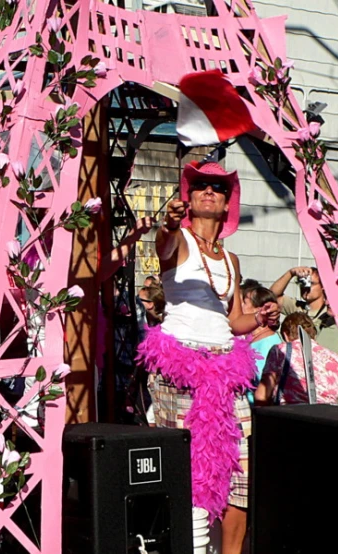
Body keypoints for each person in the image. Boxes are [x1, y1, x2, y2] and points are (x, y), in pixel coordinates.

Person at [136, 161, 278, 554]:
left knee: (240, 474)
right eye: (199, 185)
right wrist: (165, 224)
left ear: (227, 201)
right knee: (190, 474)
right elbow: (162, 245)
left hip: (225, 373)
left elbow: (233, 321)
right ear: (189, 197)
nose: (208, 190)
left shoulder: (230, 260)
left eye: (217, 186)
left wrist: (259, 318)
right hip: (181, 370)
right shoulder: (178, 239)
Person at [269, 266, 338, 378]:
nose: (305, 287)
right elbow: (272, 296)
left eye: (310, 283)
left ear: (323, 287)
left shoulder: (334, 311)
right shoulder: (298, 309)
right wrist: (291, 273)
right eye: (302, 283)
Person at [255, 312, 338, 406]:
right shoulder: (336, 359)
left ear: (285, 335)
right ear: (314, 334)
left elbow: (262, 395)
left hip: (290, 416)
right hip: (327, 419)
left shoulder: (280, 351)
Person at [241, 286, 282, 385]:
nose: (239, 306)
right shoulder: (251, 339)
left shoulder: (269, 343)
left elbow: (264, 384)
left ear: (259, 310)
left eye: (244, 302)